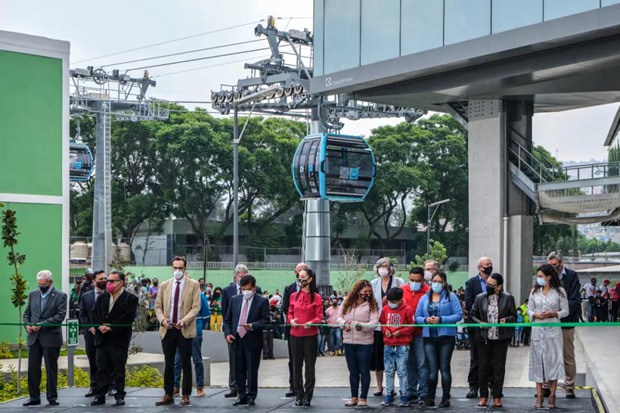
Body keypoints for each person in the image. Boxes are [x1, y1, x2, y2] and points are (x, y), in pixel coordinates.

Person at [154, 257, 201, 406]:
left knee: (186, 362)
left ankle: (186, 394)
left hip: (184, 329)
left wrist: (184, 321)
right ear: (171, 268)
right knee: (169, 363)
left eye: (180, 268)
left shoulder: (193, 285)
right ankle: (168, 394)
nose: (178, 271)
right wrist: (162, 320)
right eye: (175, 268)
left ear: (185, 268)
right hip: (168, 329)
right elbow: (158, 306)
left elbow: (195, 307)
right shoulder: (165, 285)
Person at [90, 271, 139, 406]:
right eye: (108, 281)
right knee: (101, 368)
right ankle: (100, 395)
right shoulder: (102, 297)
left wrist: (111, 327)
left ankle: (119, 395)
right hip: (102, 338)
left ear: (121, 282)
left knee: (118, 368)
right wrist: (99, 326)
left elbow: (128, 317)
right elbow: (94, 314)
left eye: (112, 281)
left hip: (118, 339)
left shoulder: (130, 299)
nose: (108, 283)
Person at [415, 271, 463, 408]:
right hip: (429, 337)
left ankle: (445, 398)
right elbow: (417, 316)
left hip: (446, 337)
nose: (436, 284)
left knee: (444, 368)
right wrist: (426, 320)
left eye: (439, 281)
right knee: (432, 369)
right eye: (434, 281)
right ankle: (430, 397)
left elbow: (458, 315)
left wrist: (441, 320)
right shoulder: (424, 298)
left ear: (444, 283)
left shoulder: (451, 297)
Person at [469, 273, 517, 408]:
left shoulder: (508, 298)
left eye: (492, 285)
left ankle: (497, 395)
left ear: (499, 286)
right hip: (483, 338)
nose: (488, 286)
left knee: (499, 367)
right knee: (483, 367)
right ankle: (483, 395)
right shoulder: (480, 298)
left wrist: (506, 320)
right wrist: (480, 323)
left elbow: (514, 315)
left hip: (501, 338)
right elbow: (472, 315)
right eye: (487, 284)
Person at [22, 270, 67, 407]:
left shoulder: (60, 296)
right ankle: (34, 397)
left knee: (51, 368)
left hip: (50, 337)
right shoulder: (33, 295)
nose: (41, 286)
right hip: (33, 338)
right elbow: (27, 314)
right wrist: (27, 325)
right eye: (39, 284)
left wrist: (41, 325)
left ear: (50, 282)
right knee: (33, 368)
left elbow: (60, 316)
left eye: (44, 284)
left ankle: (52, 397)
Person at [224, 274, 270, 406]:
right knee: (239, 369)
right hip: (237, 339)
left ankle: (251, 395)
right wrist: (227, 334)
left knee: (252, 370)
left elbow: (266, 320)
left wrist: (253, 325)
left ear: (254, 288)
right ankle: (241, 395)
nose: (245, 292)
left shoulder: (261, 301)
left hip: (252, 340)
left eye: (248, 289)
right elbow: (227, 320)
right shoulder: (235, 300)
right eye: (243, 289)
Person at [529, 263, 569, 410]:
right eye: (537, 276)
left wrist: (553, 314)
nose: (538, 279)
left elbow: (565, 311)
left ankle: (552, 395)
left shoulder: (560, 292)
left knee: (553, 361)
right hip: (537, 332)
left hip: (553, 331)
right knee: (538, 362)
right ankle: (539, 395)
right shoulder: (534, 291)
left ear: (549, 277)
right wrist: (535, 315)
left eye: (541, 276)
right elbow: (529, 310)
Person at [337, 279, 379, 407]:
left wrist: (362, 326)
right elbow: (338, 317)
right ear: (358, 290)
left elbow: (374, 322)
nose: (367, 293)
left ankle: (363, 397)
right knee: (353, 371)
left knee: (364, 370)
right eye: (364, 291)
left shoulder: (372, 305)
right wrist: (344, 324)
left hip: (365, 342)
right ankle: (354, 396)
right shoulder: (347, 302)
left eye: (369, 291)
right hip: (349, 341)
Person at [547, 251, 581, 399]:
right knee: (548, 355)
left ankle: (569, 386)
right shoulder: (546, 276)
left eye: (554, 265)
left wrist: (561, 313)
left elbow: (575, 299)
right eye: (550, 266)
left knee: (568, 355)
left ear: (561, 263)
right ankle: (547, 386)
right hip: (549, 323)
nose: (552, 268)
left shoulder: (572, 276)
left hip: (566, 322)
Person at [288, 267, 323, 406]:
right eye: (299, 277)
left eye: (303, 277)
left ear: (310, 279)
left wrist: (312, 322)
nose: (300, 279)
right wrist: (291, 320)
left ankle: (308, 394)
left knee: (310, 367)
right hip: (295, 334)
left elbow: (319, 316)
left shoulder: (317, 297)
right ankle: (298, 394)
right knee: (296, 366)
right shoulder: (293, 296)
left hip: (310, 335)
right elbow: (290, 312)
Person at [370, 257, 404, 397]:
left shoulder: (399, 282)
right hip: (379, 325)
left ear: (391, 268)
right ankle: (379, 386)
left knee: (396, 357)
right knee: (379, 357)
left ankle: (395, 386)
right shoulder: (373, 283)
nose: (383, 268)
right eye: (381, 266)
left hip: (395, 325)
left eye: (386, 266)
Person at [173, 280, 210, 397]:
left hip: (194, 332)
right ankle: (175, 386)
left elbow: (206, 315)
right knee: (177, 360)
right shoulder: (176, 293)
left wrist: (198, 327)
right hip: (179, 331)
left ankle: (199, 387)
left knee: (197, 360)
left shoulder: (200, 295)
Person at [464, 256, 493, 398]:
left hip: (492, 325)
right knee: (476, 358)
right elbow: (469, 304)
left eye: (490, 264)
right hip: (476, 325)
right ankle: (473, 386)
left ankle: (493, 386)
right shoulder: (471, 283)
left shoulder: (496, 281)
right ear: (480, 267)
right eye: (487, 264)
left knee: (493, 358)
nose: (489, 266)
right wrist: (482, 316)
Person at [379, 288, 413, 407]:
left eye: (394, 301)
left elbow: (412, 326)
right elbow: (382, 324)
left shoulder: (407, 309)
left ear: (400, 300)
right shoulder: (385, 309)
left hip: (402, 345)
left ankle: (404, 394)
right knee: (388, 371)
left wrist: (401, 332)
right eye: (390, 301)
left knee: (402, 371)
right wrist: (386, 331)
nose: (391, 303)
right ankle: (389, 393)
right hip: (388, 344)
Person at [401, 266, 430, 405]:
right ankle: (410, 390)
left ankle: (423, 392)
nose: (414, 283)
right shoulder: (402, 290)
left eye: (417, 280)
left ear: (423, 279)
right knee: (408, 363)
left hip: (421, 333)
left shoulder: (428, 292)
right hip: (405, 333)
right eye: (412, 280)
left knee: (422, 364)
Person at [221, 264, 250, 398]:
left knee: (248, 361)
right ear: (235, 277)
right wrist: (227, 332)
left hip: (248, 332)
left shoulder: (254, 290)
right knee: (233, 360)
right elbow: (225, 312)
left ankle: (247, 387)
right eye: (240, 277)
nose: (243, 279)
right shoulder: (227, 291)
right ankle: (234, 386)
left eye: (245, 277)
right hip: (233, 331)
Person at [79, 270, 107, 398]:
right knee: (93, 360)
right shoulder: (86, 296)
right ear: (94, 281)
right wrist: (90, 327)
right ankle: (93, 386)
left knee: (107, 361)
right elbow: (82, 315)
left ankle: (109, 386)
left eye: (105, 278)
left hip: (106, 333)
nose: (104, 281)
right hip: (91, 334)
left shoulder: (110, 294)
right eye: (101, 279)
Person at [282, 262, 308, 398]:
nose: (302, 274)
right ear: (296, 273)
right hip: (294, 329)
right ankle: (294, 386)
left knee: (308, 361)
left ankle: (307, 387)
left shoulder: (313, 290)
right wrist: (294, 318)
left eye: (305, 271)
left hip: (308, 330)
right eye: (300, 271)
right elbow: (285, 307)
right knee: (293, 360)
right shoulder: (289, 289)